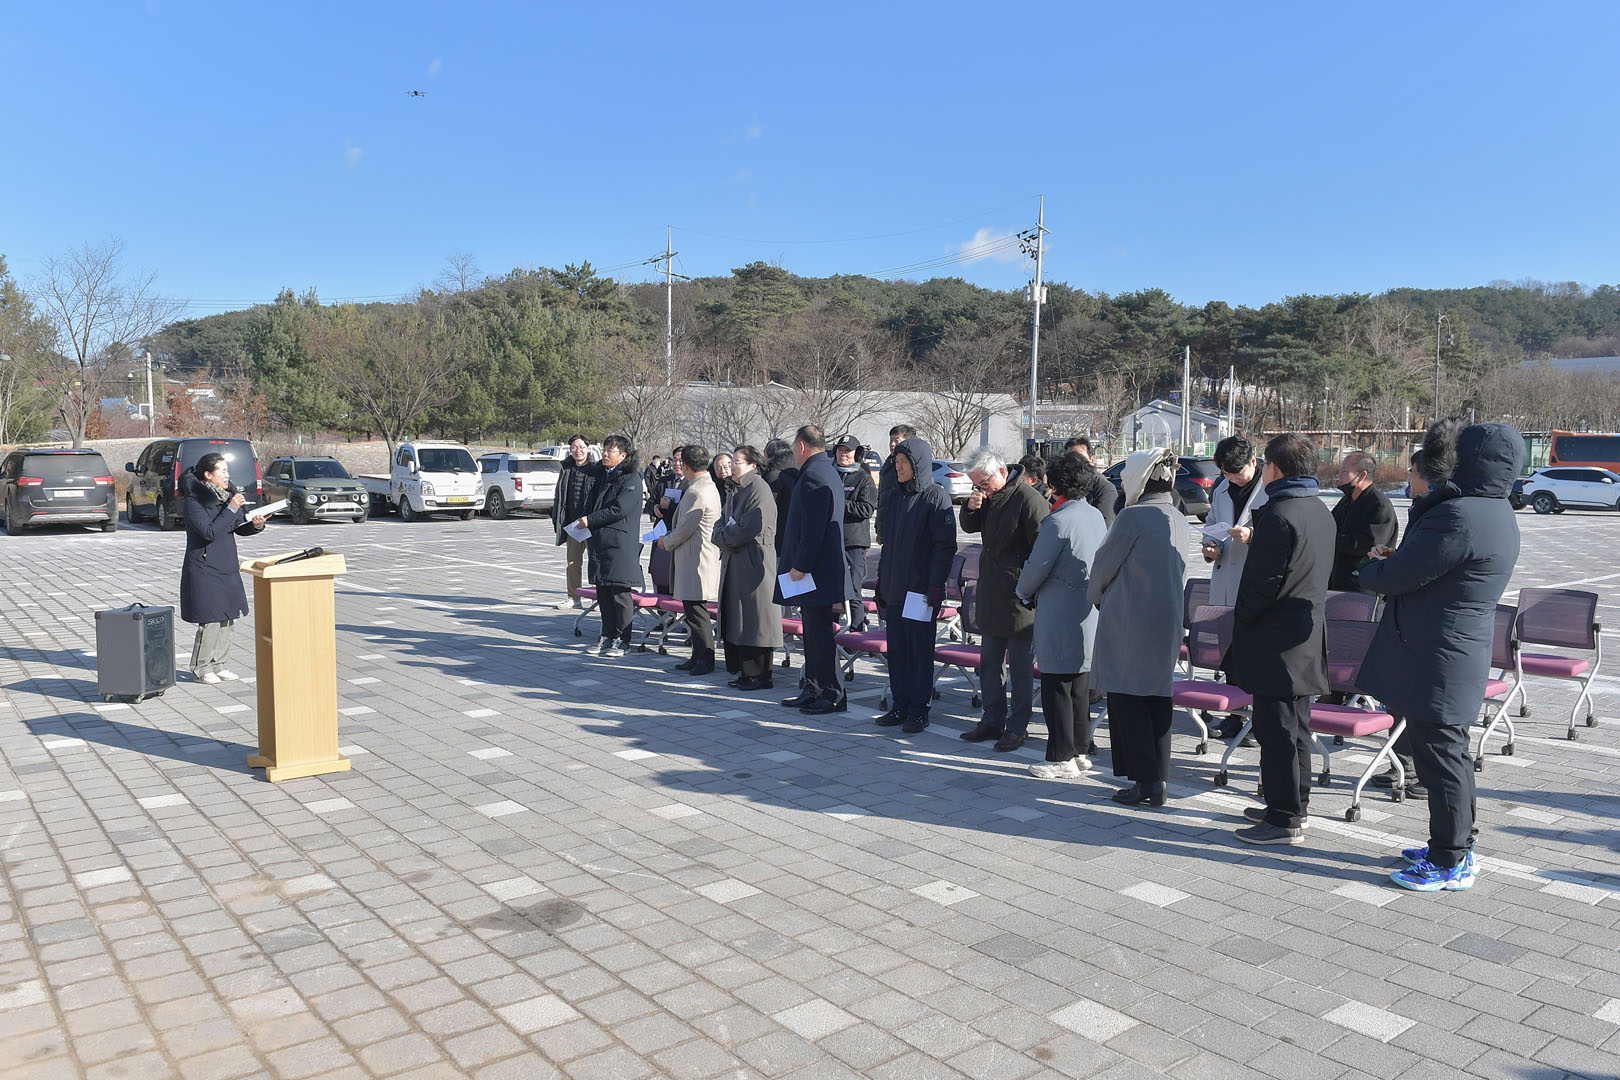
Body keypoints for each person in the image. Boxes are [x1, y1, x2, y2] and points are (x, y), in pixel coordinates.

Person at [1356, 422, 1522, 892]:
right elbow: (1437, 568)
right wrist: (1400, 559)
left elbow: (1401, 576)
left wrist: (1372, 567)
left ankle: (1449, 859)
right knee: (1451, 756)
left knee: (1441, 760)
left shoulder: (1459, 514)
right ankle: (1456, 847)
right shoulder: (1495, 509)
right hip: (1455, 649)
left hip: (1440, 654)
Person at [1222, 433, 1335, 845]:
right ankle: (1290, 805)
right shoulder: (1319, 509)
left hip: (1276, 640)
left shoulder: (1279, 514)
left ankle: (1284, 819)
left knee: (1278, 732)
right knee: (1296, 728)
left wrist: (1242, 620)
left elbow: (1261, 585)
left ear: (1275, 467)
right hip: (1305, 635)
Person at [1088, 448, 1189, 806]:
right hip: (1168, 620)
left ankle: (1143, 780)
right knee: (1157, 700)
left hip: (1129, 622)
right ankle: (1158, 780)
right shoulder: (1179, 518)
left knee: (1127, 700)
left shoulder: (1132, 516)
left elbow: (1103, 567)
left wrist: (1096, 596)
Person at [1368, 421, 1464, 796]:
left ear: (1425, 474)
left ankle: (1418, 773)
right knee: (1399, 697)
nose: (1407, 477)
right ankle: (1401, 764)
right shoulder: (1423, 509)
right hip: (1404, 623)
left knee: (1416, 703)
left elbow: (1426, 572)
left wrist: (1384, 570)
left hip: (1423, 628)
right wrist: (1398, 557)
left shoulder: (1441, 513)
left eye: (1411, 471)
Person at [1016, 454, 1107, 779]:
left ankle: (1061, 757)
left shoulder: (1058, 521)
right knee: (1080, 686)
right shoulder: (1095, 515)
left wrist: (1022, 591)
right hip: (1088, 610)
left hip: (1059, 612)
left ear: (1054, 484)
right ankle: (1081, 750)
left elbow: (1036, 567)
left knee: (1056, 686)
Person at [958, 448, 1050, 752]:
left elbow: (1043, 549)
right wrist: (971, 507)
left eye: (984, 483)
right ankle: (992, 719)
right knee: (989, 663)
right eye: (976, 485)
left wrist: (1029, 586)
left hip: (1020, 596)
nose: (981, 489)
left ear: (1001, 472)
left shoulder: (1028, 499)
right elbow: (970, 526)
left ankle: (1018, 725)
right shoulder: (988, 496)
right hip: (991, 592)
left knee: (1020, 667)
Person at [874, 435, 957, 733]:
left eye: (903, 462)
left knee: (918, 653)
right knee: (897, 651)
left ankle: (919, 710)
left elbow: (944, 548)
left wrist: (935, 586)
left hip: (920, 592)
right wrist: (882, 581)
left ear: (917, 464)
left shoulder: (935, 497)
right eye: (896, 462)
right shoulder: (896, 497)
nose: (898, 467)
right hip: (896, 589)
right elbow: (888, 546)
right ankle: (900, 704)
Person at [776, 425, 847, 715]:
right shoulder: (822, 470)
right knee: (813, 633)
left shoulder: (815, 474)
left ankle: (832, 693)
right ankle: (814, 687)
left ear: (802, 446)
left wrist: (800, 565)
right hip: (817, 571)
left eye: (794, 446)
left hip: (814, 572)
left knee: (820, 636)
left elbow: (814, 527)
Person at [1202, 435, 1269, 738]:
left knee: (1256, 654)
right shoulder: (1222, 489)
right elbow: (1212, 523)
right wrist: (1210, 546)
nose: (1232, 479)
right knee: (1229, 653)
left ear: (1253, 461)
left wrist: (1252, 536)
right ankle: (1234, 716)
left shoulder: (1269, 488)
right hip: (1225, 578)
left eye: (1237, 473)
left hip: (1255, 581)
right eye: (1226, 474)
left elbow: (1281, 532)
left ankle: (1258, 720)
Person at [180, 453, 267, 683]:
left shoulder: (227, 497)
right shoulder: (194, 501)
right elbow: (208, 532)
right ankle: (201, 668)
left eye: (228, 471)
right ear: (208, 475)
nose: (228, 475)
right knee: (210, 619)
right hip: (204, 566)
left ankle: (219, 664)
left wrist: (255, 525)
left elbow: (237, 526)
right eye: (223, 471)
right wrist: (230, 508)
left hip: (227, 564)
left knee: (228, 617)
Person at [714, 446, 782, 690]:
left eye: (737, 462)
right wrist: (722, 535)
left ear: (753, 465)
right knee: (740, 616)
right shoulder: (736, 488)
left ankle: (760, 674)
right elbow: (720, 522)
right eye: (731, 461)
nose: (732, 466)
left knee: (756, 616)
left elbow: (750, 527)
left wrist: (724, 536)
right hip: (736, 558)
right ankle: (746, 671)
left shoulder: (758, 488)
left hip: (754, 558)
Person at [576, 435, 644, 658]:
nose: (605, 454)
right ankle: (607, 635)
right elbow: (591, 503)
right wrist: (584, 519)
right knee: (603, 591)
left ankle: (623, 640)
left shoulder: (631, 478)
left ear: (622, 456)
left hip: (619, 544)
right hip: (599, 542)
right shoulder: (601, 475)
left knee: (620, 593)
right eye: (604, 450)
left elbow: (619, 509)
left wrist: (591, 519)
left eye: (610, 451)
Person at [659, 445, 722, 676]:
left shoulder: (698, 491)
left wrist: (666, 541)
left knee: (697, 613)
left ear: (686, 465)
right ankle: (697, 655)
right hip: (696, 557)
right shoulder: (703, 485)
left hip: (697, 559)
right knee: (693, 610)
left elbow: (685, 527)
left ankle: (706, 658)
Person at [1331, 450, 1398, 591]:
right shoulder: (1346, 501)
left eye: (1344, 472)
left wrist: (1331, 540)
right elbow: (1330, 526)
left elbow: (1368, 544)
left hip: (1363, 587)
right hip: (1338, 582)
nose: (1339, 476)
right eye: (1339, 471)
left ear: (1362, 475)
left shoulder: (1379, 505)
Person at [833, 435, 877, 631]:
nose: (843, 454)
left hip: (854, 543)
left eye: (847, 451)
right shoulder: (831, 474)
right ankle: (832, 633)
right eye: (840, 450)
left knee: (852, 591)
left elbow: (867, 509)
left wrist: (840, 503)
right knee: (832, 591)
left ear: (856, 454)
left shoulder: (863, 477)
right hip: (832, 541)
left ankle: (856, 634)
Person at [552, 434, 599, 609]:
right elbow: (559, 497)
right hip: (573, 525)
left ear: (588, 448)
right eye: (574, 447)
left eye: (581, 447)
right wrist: (557, 519)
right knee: (573, 563)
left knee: (595, 562)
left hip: (592, 524)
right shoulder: (566, 469)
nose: (578, 450)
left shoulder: (596, 469)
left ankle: (597, 599)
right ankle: (574, 598)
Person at [874, 423, 916, 544]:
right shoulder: (888, 464)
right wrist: (879, 527)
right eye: (891, 440)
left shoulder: (913, 467)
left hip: (903, 530)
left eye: (896, 440)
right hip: (887, 527)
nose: (892, 444)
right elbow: (882, 499)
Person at [1064, 438, 1116, 528]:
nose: (1075, 462)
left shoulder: (1104, 488)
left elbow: (1104, 526)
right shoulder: (1063, 485)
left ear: (1092, 459)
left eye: (1080, 457)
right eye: (1070, 459)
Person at [762, 438, 800, 558]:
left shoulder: (773, 476)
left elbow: (766, 509)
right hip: (794, 534)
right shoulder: (798, 471)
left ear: (768, 455)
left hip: (776, 537)